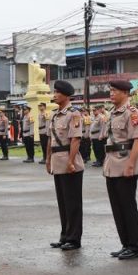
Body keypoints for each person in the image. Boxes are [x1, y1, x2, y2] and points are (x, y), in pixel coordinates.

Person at [103, 80, 138, 260]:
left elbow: (137, 140)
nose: (111, 94)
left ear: (125, 93)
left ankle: (135, 246)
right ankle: (125, 243)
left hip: (125, 164)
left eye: (115, 91)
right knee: (117, 207)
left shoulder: (132, 113)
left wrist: (130, 164)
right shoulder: (113, 113)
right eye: (110, 91)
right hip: (112, 164)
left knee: (127, 206)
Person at [47, 81, 84, 250]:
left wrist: (70, 161)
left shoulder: (73, 114)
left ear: (66, 95)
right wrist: (48, 160)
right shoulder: (55, 115)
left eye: (57, 92)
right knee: (62, 202)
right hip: (57, 161)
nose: (54, 95)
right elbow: (50, 140)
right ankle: (65, 235)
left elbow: (75, 139)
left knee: (73, 203)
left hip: (70, 163)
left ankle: (74, 238)